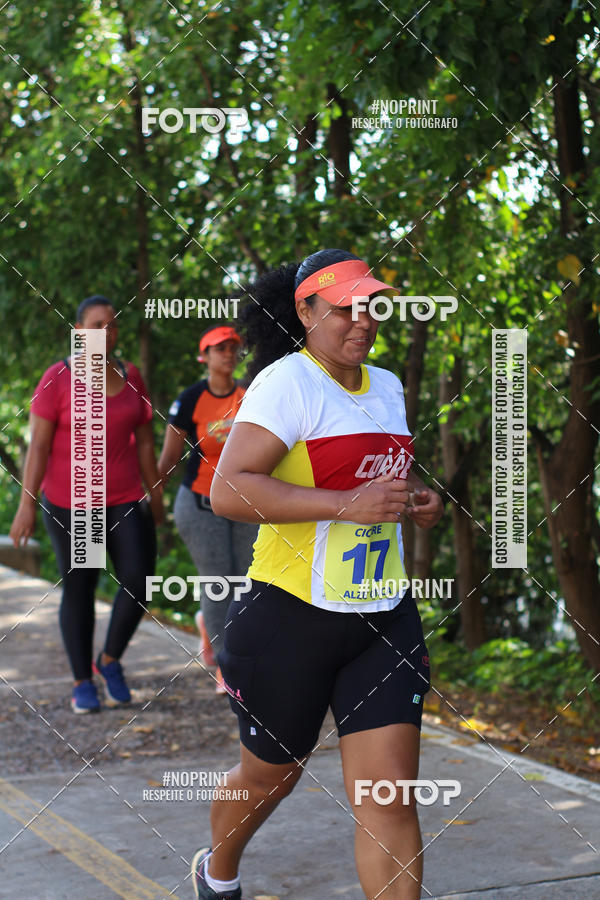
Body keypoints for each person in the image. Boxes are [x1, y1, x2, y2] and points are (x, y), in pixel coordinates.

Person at [189, 250, 444, 900]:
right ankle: (217, 872)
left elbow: (381, 473)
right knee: (269, 778)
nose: (363, 321)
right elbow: (228, 490)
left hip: (382, 619)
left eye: (371, 307)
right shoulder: (287, 384)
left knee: (389, 798)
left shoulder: (386, 385)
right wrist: (344, 505)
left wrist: (416, 498)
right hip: (290, 619)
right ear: (305, 311)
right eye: (344, 309)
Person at [9, 295, 163, 713]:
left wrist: (156, 494)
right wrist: (26, 505)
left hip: (125, 497)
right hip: (74, 504)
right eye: (96, 325)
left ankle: (109, 660)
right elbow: (38, 447)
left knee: (139, 580)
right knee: (82, 586)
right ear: (78, 332)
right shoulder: (57, 378)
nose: (105, 333)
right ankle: (82, 681)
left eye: (112, 325)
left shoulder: (131, 376)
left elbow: (145, 443)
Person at [157, 325, 258, 693]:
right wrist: (150, 499)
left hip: (245, 503)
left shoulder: (250, 395)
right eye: (219, 349)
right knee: (218, 582)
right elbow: (169, 457)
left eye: (233, 348)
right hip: (200, 504)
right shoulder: (191, 399)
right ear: (205, 356)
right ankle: (225, 664)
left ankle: (242, 651)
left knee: (247, 581)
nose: (228, 354)